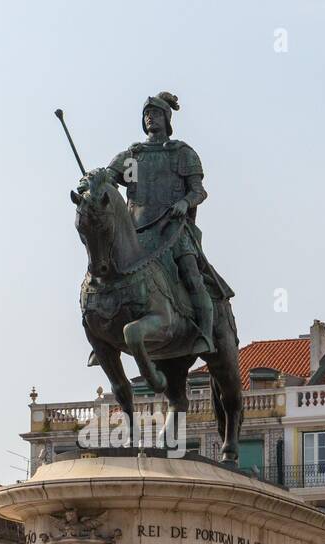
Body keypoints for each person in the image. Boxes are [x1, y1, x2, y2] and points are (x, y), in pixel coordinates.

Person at [103, 92, 235, 356]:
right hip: (137, 233)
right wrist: (96, 179)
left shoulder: (180, 153)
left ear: (167, 118)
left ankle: (205, 334)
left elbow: (198, 191)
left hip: (172, 231)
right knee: (106, 272)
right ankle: (104, 337)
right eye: (147, 114)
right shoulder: (134, 156)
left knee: (191, 274)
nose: (150, 118)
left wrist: (186, 203)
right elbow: (111, 178)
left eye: (156, 113)